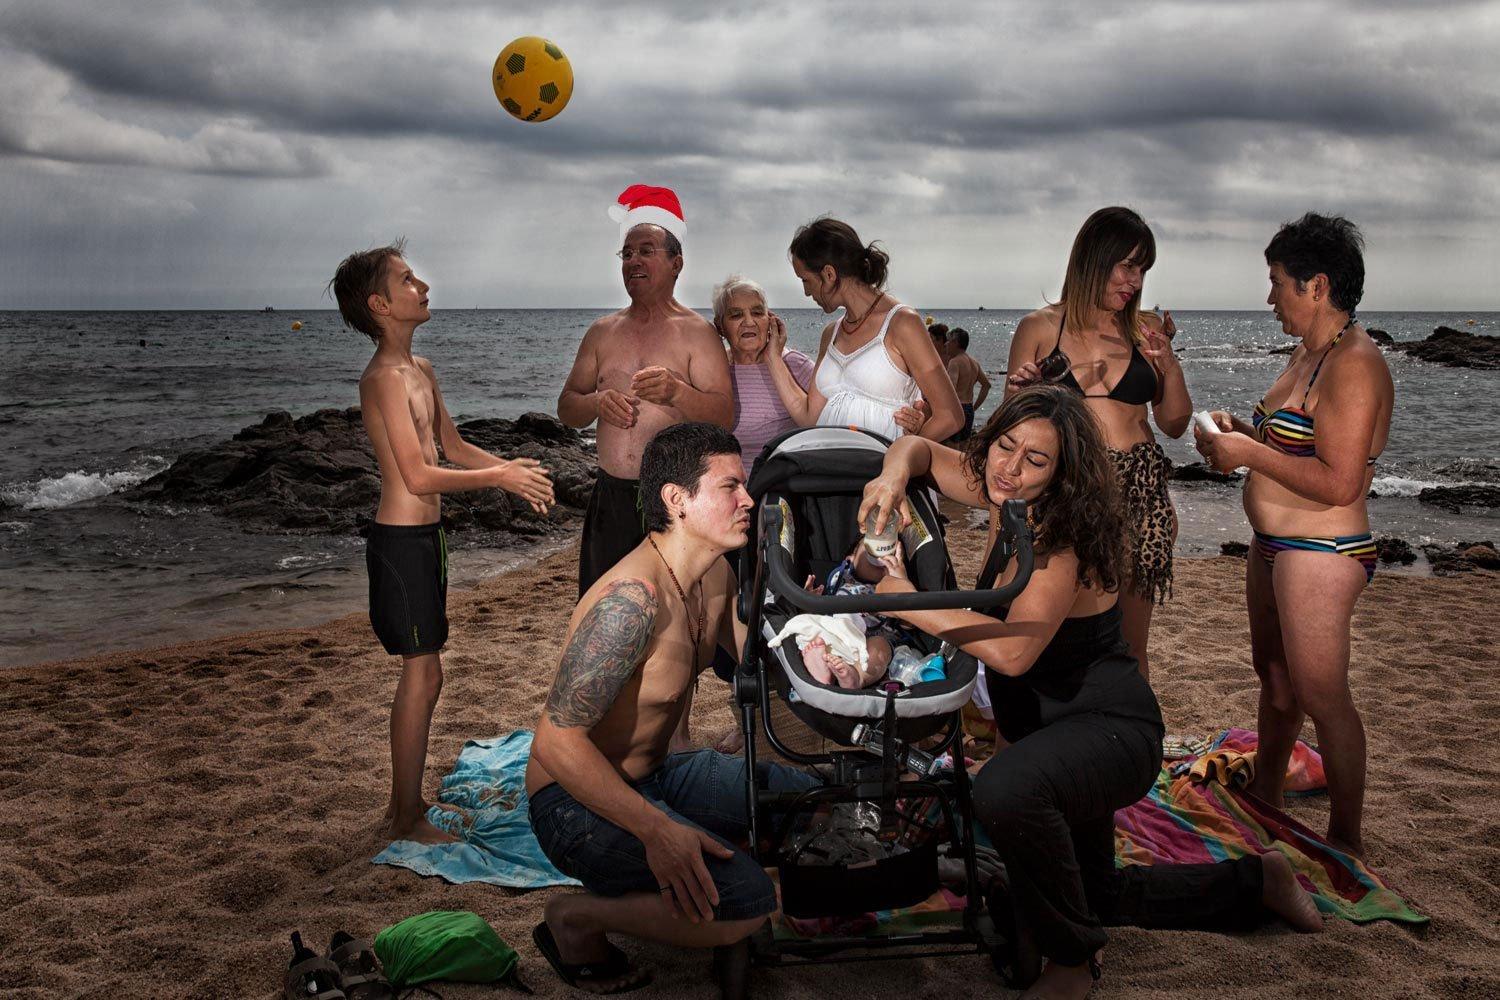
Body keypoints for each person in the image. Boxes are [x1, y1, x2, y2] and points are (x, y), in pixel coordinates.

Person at [858, 386, 1322, 1000]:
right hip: (1051, 739)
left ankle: (1073, 967)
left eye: (1035, 460)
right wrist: (891, 475)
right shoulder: (1000, 487)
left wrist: (903, 600)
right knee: (1096, 895)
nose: (1011, 466)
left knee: (1000, 791)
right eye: (1005, 445)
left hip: (1109, 734)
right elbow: (917, 447)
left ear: (1063, 473)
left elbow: (1013, 653)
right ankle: (1257, 881)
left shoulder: (1059, 543)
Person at [526, 423, 816, 993]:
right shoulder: (629, 603)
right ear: (677, 500)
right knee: (749, 902)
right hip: (575, 804)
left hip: (658, 774)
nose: (748, 500)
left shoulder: (714, 574)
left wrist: (815, 614)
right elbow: (554, 743)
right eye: (730, 486)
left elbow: (763, 657)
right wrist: (658, 832)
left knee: (803, 802)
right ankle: (574, 918)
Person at [328, 241, 555, 844]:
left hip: (428, 537)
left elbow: (451, 449)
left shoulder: (421, 370)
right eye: (407, 280)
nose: (422, 285)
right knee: (422, 676)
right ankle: (404, 816)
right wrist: (500, 477)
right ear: (380, 304)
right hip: (400, 542)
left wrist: (514, 471)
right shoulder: (380, 379)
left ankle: (410, 805)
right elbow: (416, 475)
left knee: (429, 674)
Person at [1195, 213, 1392, 857]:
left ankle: (1346, 837)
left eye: (1277, 281)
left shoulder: (1354, 365)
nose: (1269, 295)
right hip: (1275, 547)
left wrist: (1247, 451)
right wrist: (1235, 431)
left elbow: (1340, 484)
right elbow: (1289, 438)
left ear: (1317, 285)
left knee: (1322, 696)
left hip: (1322, 550)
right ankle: (1268, 802)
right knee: (1275, 679)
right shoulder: (1309, 353)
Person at [1004, 206, 1192, 680]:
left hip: (1142, 494)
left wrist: (1168, 365)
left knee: (1130, 646)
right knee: (1063, 635)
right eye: (1127, 266)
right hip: (1073, 494)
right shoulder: (1040, 328)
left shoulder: (1143, 328)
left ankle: (1132, 747)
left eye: (1143, 269)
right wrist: (1021, 395)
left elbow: (1174, 422)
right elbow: (1010, 429)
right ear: (1093, 258)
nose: (1135, 280)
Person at [558, 185, 734, 597]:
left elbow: (725, 416)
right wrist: (596, 403)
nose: (633, 260)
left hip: (671, 501)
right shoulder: (602, 332)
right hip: (609, 497)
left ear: (676, 263)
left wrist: (677, 393)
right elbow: (567, 408)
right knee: (602, 609)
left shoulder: (698, 334)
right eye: (627, 253)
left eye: (646, 250)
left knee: (668, 615)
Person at [763, 217, 964, 443]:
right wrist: (773, 358)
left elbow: (950, 416)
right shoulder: (831, 334)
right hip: (828, 470)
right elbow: (810, 419)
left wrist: (899, 460)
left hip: (880, 474)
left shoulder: (902, 323)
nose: (806, 293)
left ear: (829, 275)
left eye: (806, 280)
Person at [712, 274, 815, 479]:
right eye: (736, 315)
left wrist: (773, 358)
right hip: (726, 490)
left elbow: (827, 420)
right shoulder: (712, 369)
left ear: (770, 320)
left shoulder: (794, 364)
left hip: (781, 487)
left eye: (758, 313)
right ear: (720, 326)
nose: (749, 322)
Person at [945, 327, 991, 441]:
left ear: (955, 343)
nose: (946, 344)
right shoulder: (974, 362)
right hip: (969, 408)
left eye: (949, 341)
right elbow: (986, 386)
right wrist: (974, 407)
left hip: (957, 408)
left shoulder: (954, 362)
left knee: (951, 446)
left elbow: (951, 390)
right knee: (963, 446)